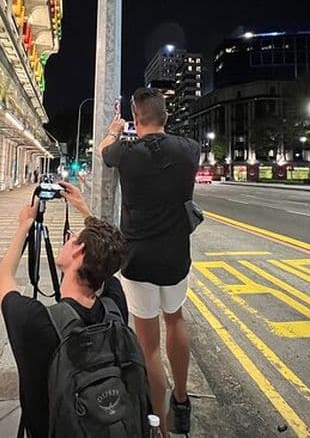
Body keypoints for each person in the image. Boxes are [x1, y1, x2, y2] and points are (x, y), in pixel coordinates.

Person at [98, 87, 200, 435]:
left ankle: (158, 426)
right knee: (176, 320)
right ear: (166, 117)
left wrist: (114, 129)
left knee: (149, 345)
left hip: (138, 259)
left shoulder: (125, 152)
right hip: (176, 256)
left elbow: (104, 153)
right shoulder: (190, 150)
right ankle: (182, 403)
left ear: (135, 118)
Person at [0, 182, 129, 438]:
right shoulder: (116, 306)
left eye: (73, 237)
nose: (68, 239)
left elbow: (2, 281)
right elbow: (111, 253)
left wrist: (24, 226)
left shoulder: (36, 320)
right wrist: (82, 208)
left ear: (78, 250)